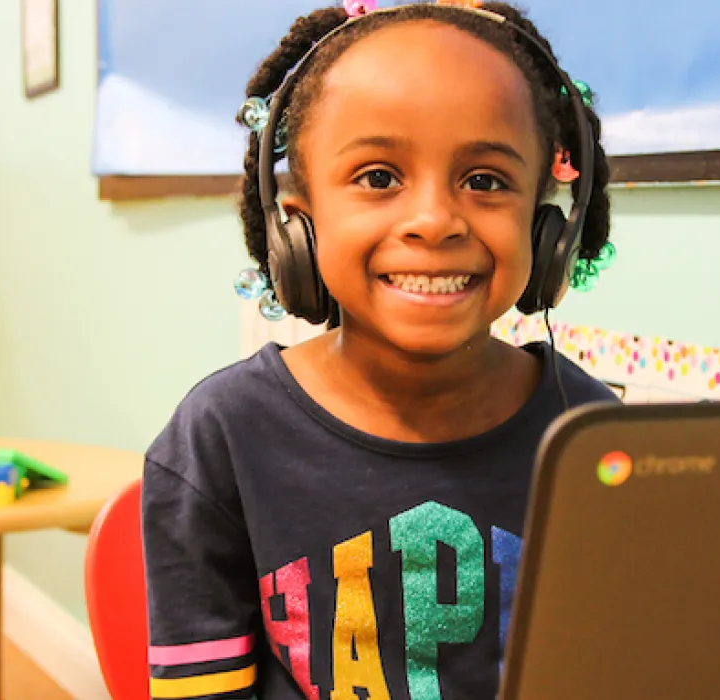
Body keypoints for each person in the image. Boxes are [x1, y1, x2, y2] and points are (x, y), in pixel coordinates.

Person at [140, 3, 619, 699]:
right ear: (295, 222)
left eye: (485, 181)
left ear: (548, 228)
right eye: (378, 177)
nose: (433, 221)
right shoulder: (221, 437)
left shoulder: (591, 440)